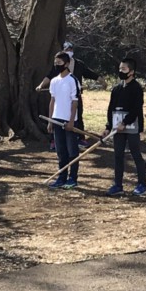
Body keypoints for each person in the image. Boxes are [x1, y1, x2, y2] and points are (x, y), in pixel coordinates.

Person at [36, 42, 106, 149]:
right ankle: (54, 140)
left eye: (70, 49)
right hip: (60, 98)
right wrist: (41, 85)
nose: (69, 51)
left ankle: (80, 139)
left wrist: (101, 80)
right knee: (57, 118)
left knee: (78, 116)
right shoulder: (58, 66)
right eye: (66, 49)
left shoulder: (78, 64)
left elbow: (89, 73)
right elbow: (49, 76)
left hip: (75, 96)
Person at [103, 58, 146, 196]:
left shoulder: (137, 88)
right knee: (118, 155)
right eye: (120, 69)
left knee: (135, 154)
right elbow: (111, 108)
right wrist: (108, 126)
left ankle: (142, 184)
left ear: (131, 72)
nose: (120, 71)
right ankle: (118, 185)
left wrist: (125, 122)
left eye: (124, 69)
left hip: (131, 126)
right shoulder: (116, 89)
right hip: (117, 127)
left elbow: (135, 109)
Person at [46, 52, 80, 189]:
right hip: (56, 119)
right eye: (55, 62)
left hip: (69, 120)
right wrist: (50, 120)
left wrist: (72, 121)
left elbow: (75, 102)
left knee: (72, 151)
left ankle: (73, 178)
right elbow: (52, 100)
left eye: (59, 63)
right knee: (60, 151)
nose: (57, 65)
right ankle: (62, 177)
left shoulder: (72, 80)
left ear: (66, 64)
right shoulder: (54, 81)